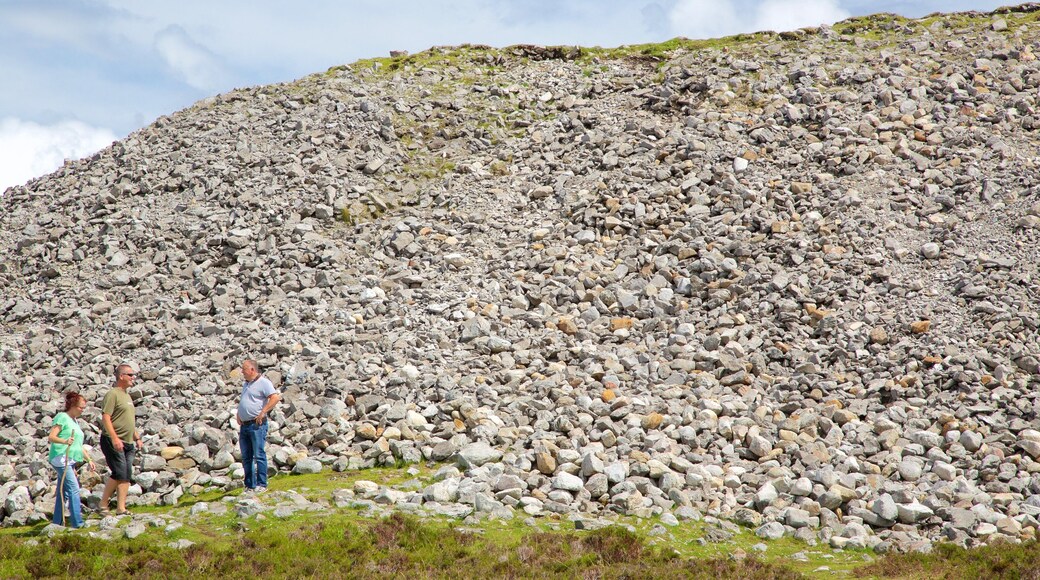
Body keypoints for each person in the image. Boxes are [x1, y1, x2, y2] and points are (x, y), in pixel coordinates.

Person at [98, 363, 142, 516]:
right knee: (119, 472)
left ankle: (120, 508)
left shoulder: (127, 395)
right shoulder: (113, 394)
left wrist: (136, 436)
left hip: (129, 441)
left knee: (126, 474)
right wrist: (115, 438)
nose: (133, 377)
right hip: (114, 440)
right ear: (121, 376)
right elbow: (106, 417)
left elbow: (127, 419)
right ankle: (103, 504)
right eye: (130, 375)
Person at [47, 392, 96, 527]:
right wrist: (65, 441)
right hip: (61, 459)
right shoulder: (62, 417)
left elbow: (78, 446)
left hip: (70, 460)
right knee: (74, 489)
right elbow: (51, 437)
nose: (82, 410)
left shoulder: (74, 421)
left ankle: (57, 521)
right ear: (73, 406)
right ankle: (77, 522)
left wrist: (89, 460)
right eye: (81, 407)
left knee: (63, 490)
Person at [237, 359, 280, 494]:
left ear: (252, 370)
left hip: (257, 425)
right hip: (244, 425)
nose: (242, 372)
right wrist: (239, 414)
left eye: (244, 369)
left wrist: (263, 412)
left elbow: (275, 397)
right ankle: (249, 485)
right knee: (246, 456)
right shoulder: (246, 384)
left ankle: (262, 484)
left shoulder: (264, 383)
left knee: (259, 454)